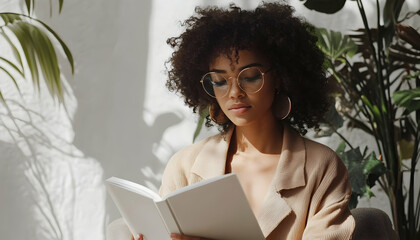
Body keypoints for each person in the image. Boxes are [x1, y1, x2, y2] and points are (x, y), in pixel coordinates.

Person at [108, 2, 355, 240]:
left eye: (249, 77)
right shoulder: (185, 165)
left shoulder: (321, 168)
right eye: (220, 80)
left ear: (280, 77)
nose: (234, 92)